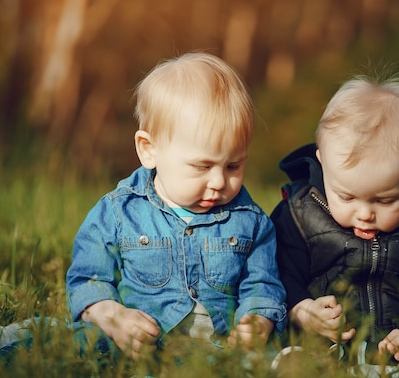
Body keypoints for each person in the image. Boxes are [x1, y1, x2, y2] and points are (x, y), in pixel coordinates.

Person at [65, 52, 286, 359]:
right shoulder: (120, 212)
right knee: (81, 343)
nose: (220, 182)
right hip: (136, 348)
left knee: (278, 358)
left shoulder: (250, 222)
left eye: (233, 166)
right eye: (201, 167)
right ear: (149, 150)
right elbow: (87, 278)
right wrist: (111, 315)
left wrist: (257, 320)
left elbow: (262, 283)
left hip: (219, 352)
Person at [271, 74, 399, 366]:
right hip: (320, 344)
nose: (364, 214)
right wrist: (301, 309)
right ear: (323, 165)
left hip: (394, 353)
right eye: (346, 197)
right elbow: (280, 272)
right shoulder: (299, 216)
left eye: (385, 200)